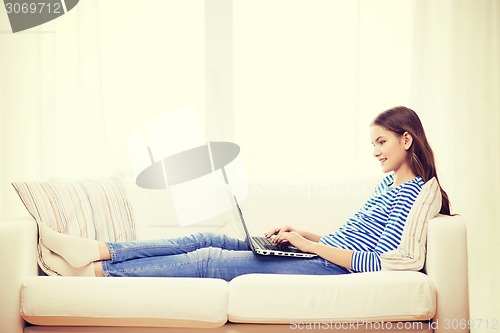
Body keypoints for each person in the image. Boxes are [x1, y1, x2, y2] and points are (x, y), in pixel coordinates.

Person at [39, 106, 451, 280]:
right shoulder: (386, 184)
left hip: (327, 267)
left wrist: (310, 247)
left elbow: (374, 261)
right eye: (373, 143)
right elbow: (352, 237)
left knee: (208, 260)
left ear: (407, 140)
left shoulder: (411, 194)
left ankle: (92, 273)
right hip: (316, 251)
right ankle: (97, 250)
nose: (375, 151)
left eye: (381, 142)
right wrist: (303, 233)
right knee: (204, 237)